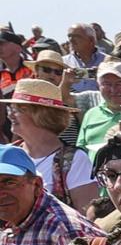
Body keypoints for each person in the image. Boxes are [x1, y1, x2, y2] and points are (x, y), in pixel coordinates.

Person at [0, 79, 95, 210]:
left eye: (18, 110)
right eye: (11, 109)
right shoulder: (6, 154)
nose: (10, 115)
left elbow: (87, 217)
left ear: (41, 115)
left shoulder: (75, 159)